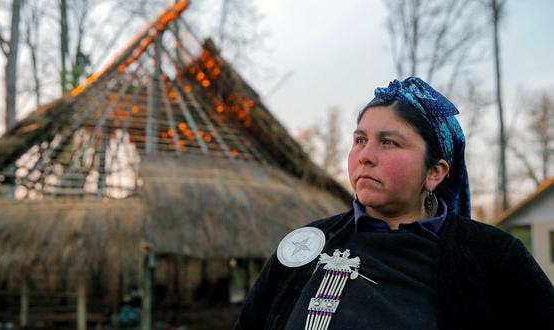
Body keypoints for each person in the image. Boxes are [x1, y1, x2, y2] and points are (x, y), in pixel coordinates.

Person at [235, 77, 554, 330]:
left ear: (434, 172)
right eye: (360, 140)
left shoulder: (494, 259)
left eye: (388, 142)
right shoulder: (307, 246)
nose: (365, 156)